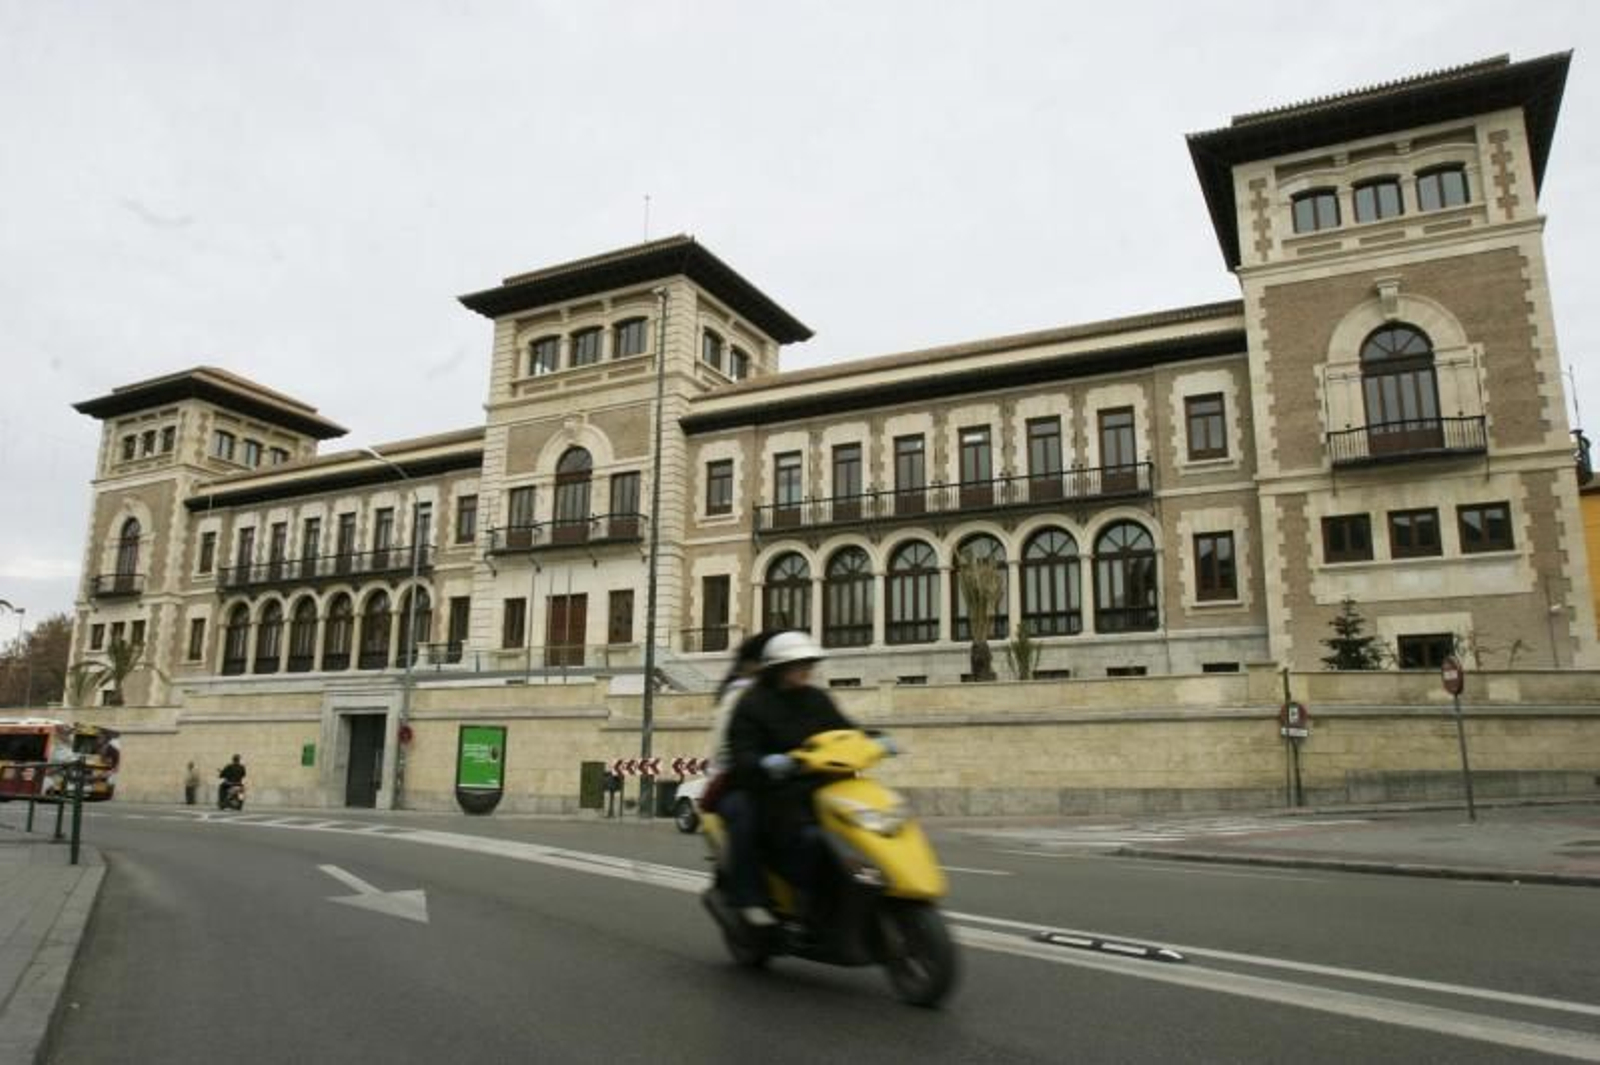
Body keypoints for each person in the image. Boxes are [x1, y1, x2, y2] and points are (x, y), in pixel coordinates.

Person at [726, 631, 855, 925]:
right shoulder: (752, 703)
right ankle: (753, 898)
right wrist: (765, 762)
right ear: (778, 668)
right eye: (798, 664)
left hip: (812, 783)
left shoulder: (817, 699)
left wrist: (875, 740)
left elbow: (845, 730)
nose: (806, 670)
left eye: (808, 663)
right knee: (781, 830)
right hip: (766, 787)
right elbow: (741, 750)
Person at [701, 632, 777, 925]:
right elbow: (725, 746)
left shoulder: (795, 691)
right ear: (752, 664)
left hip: (778, 778)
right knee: (748, 815)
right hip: (736, 780)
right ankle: (748, 896)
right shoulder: (739, 696)